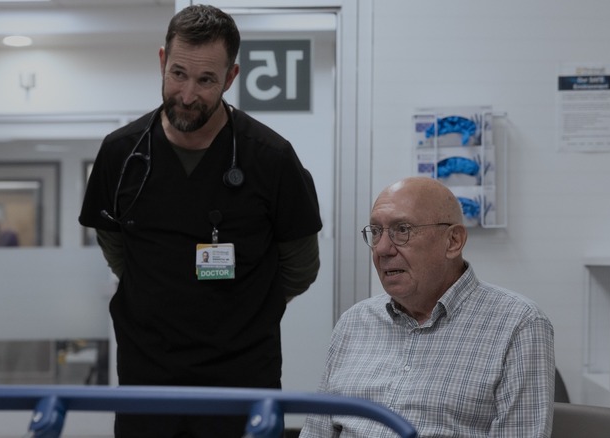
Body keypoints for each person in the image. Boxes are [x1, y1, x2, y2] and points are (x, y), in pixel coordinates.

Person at [78, 5, 322, 437]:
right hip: (146, 377)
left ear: (230, 78)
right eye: (178, 74)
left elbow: (301, 266)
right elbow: (114, 246)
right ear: (161, 61)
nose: (188, 95)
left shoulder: (270, 158)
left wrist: (242, 311)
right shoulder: (121, 154)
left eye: (206, 80)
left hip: (242, 378)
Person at [300, 177, 554, 438]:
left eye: (402, 230)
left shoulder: (518, 324)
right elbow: (316, 431)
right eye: (375, 232)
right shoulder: (355, 322)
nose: (383, 249)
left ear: (453, 241)